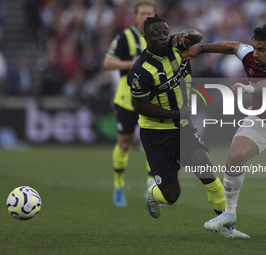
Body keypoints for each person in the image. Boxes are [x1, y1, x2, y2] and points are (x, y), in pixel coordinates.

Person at [181, 22, 266, 239]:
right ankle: (229, 215)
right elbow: (233, 46)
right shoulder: (251, 55)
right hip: (260, 119)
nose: (255, 53)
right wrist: (200, 49)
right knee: (234, 157)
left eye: (261, 49)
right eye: (254, 47)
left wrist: (249, 87)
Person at [127, 14, 248, 238]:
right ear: (146, 38)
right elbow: (141, 106)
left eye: (165, 32)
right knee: (171, 196)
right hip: (156, 135)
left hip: (184, 128)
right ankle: (153, 190)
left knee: (209, 176)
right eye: (156, 34)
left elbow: (198, 36)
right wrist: (176, 112)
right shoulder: (140, 71)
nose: (163, 37)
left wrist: (190, 34)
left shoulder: (177, 44)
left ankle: (227, 229)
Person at [103, 0, 156, 207]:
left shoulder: (158, 38)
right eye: (142, 13)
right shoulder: (125, 37)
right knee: (124, 143)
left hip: (151, 99)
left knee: (151, 144)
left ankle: (151, 189)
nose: (145, 17)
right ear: (135, 16)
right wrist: (132, 63)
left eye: (149, 13)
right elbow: (107, 63)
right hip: (127, 99)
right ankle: (118, 186)